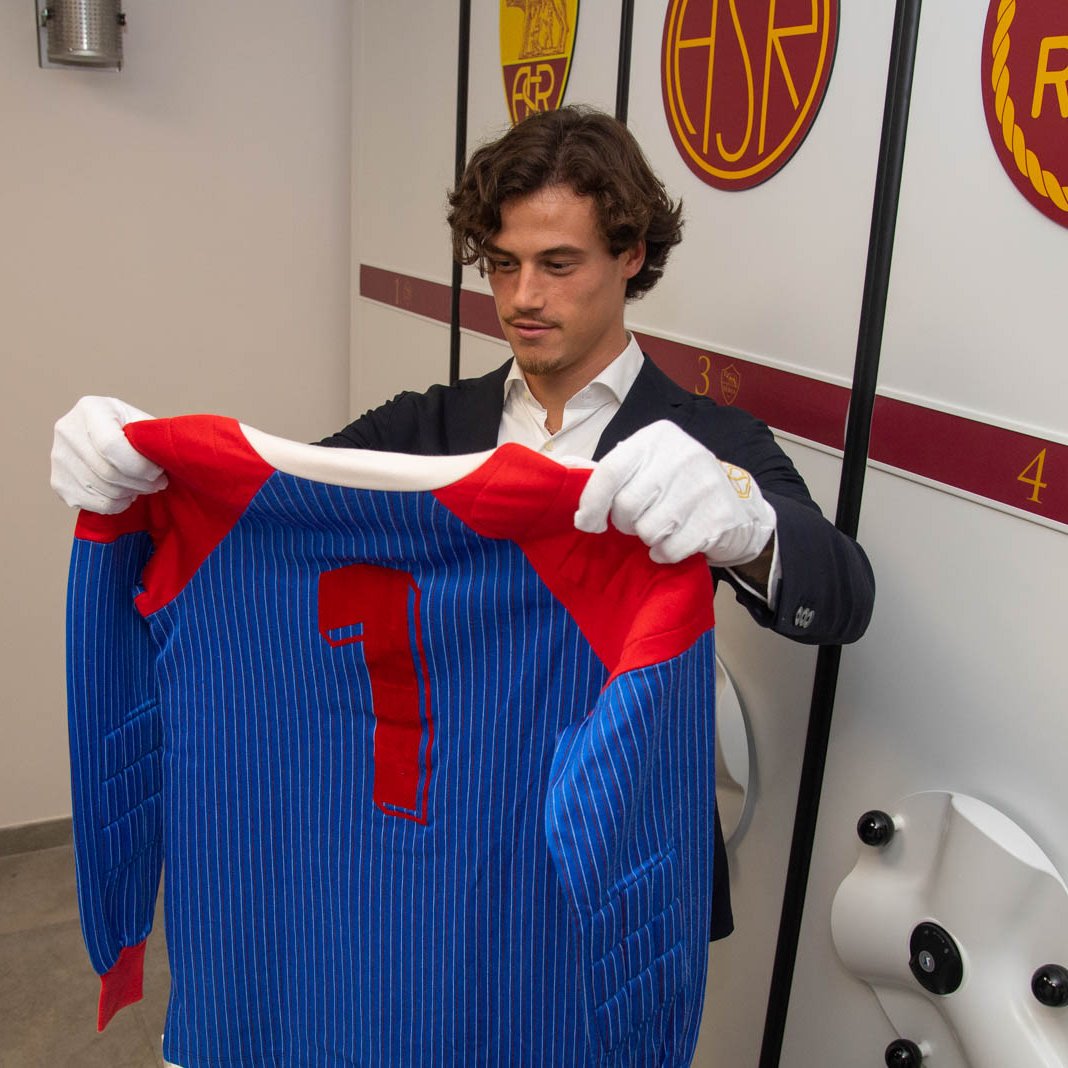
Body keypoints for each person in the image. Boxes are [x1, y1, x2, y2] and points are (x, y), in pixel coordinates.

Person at [51, 105, 875, 941]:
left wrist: (751, 525)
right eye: (503, 265)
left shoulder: (704, 441)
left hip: (616, 856)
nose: (523, 297)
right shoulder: (429, 424)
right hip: (446, 849)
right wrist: (146, 466)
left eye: (558, 264)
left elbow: (843, 596)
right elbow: (268, 514)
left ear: (630, 255)